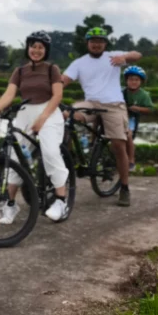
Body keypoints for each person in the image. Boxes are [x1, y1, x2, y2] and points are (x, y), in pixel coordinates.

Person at [0, 30, 70, 223]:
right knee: (15, 157)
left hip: (48, 112)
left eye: (40, 47)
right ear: (28, 48)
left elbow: (57, 96)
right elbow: (9, 94)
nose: (36, 50)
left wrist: (42, 118)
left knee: (49, 152)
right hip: (25, 113)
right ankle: (11, 205)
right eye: (33, 46)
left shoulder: (51, 69)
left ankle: (60, 201)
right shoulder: (20, 71)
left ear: (45, 50)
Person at [61, 27, 142, 207]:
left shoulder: (113, 57)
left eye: (100, 41)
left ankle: (124, 188)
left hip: (113, 105)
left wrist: (125, 58)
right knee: (66, 116)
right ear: (87, 43)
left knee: (118, 144)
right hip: (91, 104)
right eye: (93, 41)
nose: (96, 44)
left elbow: (137, 54)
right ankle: (69, 155)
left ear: (105, 44)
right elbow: (63, 81)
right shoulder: (79, 63)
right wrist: (51, 91)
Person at [122, 65, 154, 170]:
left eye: (136, 80)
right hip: (119, 116)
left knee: (128, 136)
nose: (133, 82)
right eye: (131, 79)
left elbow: (150, 109)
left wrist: (137, 108)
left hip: (131, 118)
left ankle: (131, 160)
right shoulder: (120, 92)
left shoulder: (144, 95)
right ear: (126, 80)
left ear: (141, 81)